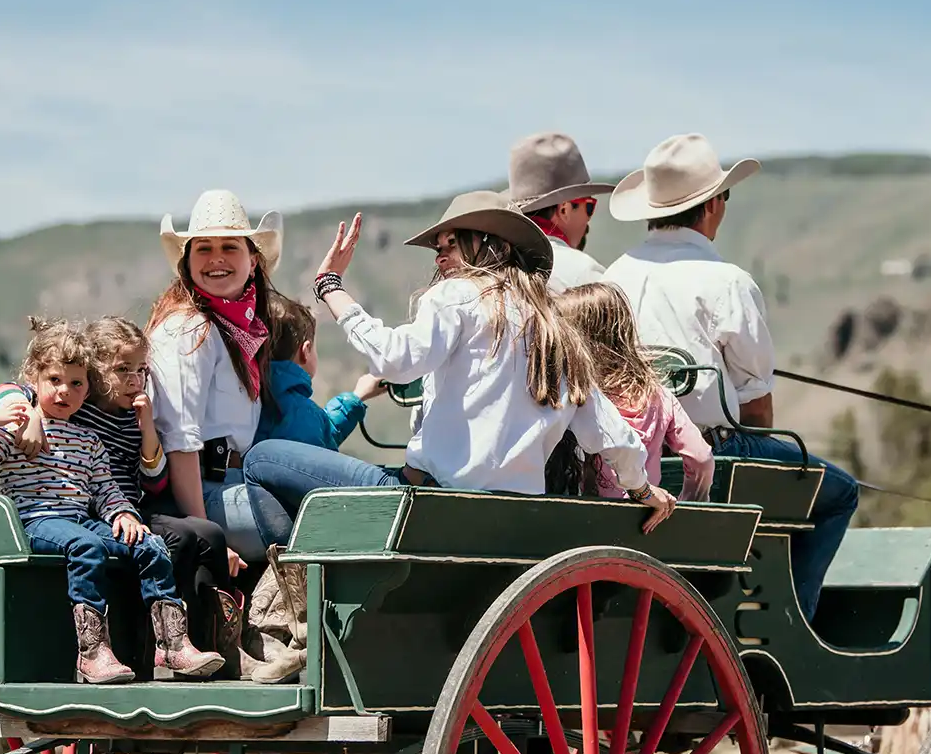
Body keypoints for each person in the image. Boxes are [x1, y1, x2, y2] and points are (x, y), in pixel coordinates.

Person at [244, 191, 680, 528]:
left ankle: (286, 593)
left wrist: (330, 287)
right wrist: (642, 490)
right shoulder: (557, 332)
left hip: (429, 505)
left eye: (452, 243)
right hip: (511, 517)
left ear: (492, 246)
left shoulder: (457, 296)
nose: (440, 255)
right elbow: (608, 431)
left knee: (263, 459)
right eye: (439, 245)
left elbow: (394, 359)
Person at [606, 133, 859, 620]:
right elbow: (757, 408)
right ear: (713, 205)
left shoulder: (613, 275)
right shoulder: (727, 282)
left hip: (625, 456)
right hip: (712, 451)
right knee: (841, 492)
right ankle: (795, 625)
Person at [0, 316, 266, 679]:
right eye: (123, 370)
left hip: (124, 507)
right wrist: (29, 417)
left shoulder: (130, 417)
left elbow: (152, 483)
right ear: (96, 373)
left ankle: (203, 645)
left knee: (208, 534)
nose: (135, 379)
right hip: (84, 512)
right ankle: (146, 650)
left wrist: (147, 428)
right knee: (178, 538)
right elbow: (7, 389)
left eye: (141, 370)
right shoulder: (74, 404)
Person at [146, 190, 295, 565]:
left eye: (230, 247)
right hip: (204, 496)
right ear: (187, 262)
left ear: (253, 261)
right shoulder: (187, 329)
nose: (216, 259)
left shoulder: (237, 335)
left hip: (233, 484)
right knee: (317, 518)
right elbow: (181, 440)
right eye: (203, 248)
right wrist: (204, 536)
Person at [558, 282, 714, 503]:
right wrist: (691, 499)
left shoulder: (577, 393)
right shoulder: (659, 395)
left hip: (584, 513)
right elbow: (701, 458)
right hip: (643, 511)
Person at [255, 299, 386, 451]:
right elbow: (321, 457)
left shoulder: (244, 400)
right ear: (306, 351)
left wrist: (356, 397)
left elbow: (322, 433)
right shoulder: (303, 415)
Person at [505, 132, 613, 293]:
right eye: (589, 207)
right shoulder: (584, 273)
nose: (588, 219)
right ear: (565, 210)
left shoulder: (496, 268)